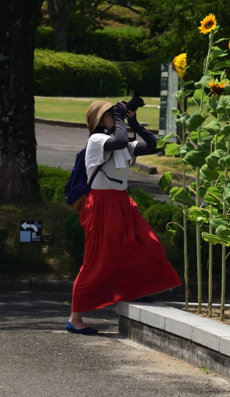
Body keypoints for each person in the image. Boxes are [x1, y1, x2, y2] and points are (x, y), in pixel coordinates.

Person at [66, 100, 181, 334]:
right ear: (99, 120)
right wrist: (120, 117)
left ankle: (133, 291)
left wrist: (133, 122)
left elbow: (153, 145)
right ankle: (74, 318)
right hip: (101, 204)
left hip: (122, 202)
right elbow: (118, 140)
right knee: (97, 260)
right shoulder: (97, 140)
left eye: (114, 112)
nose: (114, 115)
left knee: (148, 243)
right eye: (110, 113)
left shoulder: (118, 142)